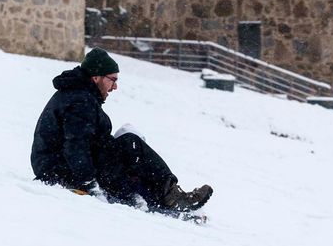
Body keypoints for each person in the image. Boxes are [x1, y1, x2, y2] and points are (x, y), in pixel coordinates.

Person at [31, 47, 213, 213]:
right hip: (60, 172)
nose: (115, 87)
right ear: (96, 77)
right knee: (130, 144)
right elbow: (76, 144)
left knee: (127, 143)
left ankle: (159, 196)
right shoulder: (80, 101)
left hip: (62, 167)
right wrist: (88, 184)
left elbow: (88, 141)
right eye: (112, 80)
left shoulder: (81, 96)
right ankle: (167, 198)